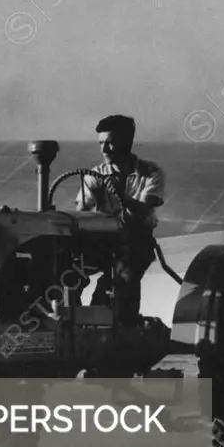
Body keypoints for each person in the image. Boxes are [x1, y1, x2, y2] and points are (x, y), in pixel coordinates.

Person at [74, 114, 165, 325]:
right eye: (100, 143)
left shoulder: (151, 173)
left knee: (119, 280)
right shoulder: (94, 175)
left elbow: (143, 211)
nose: (104, 150)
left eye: (110, 143)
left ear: (127, 142)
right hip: (101, 242)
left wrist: (122, 198)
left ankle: (120, 327)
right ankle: (71, 322)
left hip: (136, 242)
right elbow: (82, 210)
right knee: (66, 272)